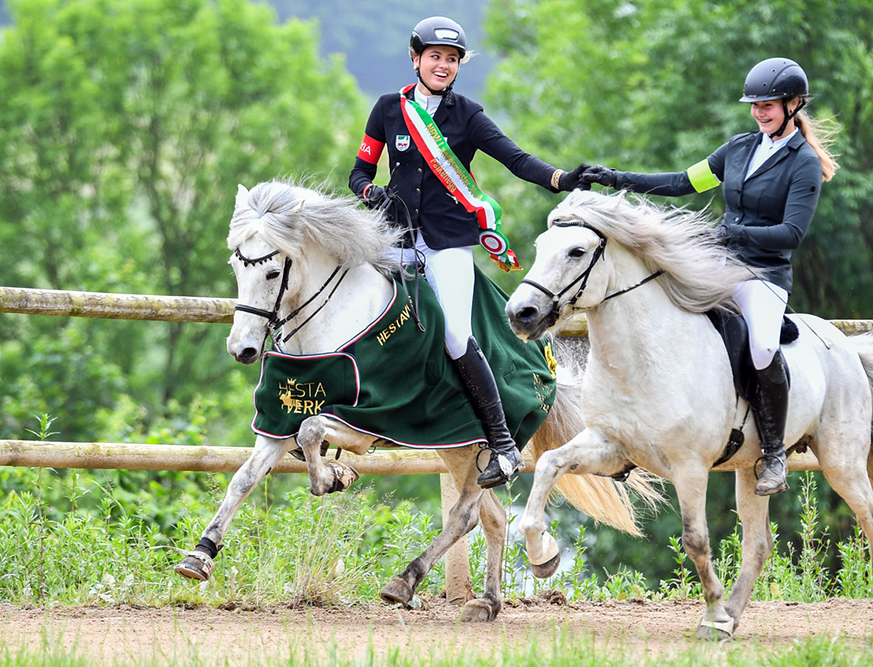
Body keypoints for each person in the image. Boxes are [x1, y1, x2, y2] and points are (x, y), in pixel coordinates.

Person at [349, 16, 591, 489]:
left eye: (452, 59)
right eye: (435, 57)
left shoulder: (468, 114)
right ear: (416, 58)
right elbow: (359, 171)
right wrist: (369, 192)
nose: (443, 65)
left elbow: (515, 159)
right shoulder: (387, 109)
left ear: (459, 66)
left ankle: (501, 445)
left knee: (456, 336)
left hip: (447, 244)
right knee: (357, 312)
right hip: (394, 240)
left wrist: (561, 179)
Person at [583, 57, 839, 496]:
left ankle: (774, 451)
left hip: (764, 272)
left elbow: (791, 234)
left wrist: (733, 231)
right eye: (754, 105)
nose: (759, 112)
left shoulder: (805, 164)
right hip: (717, 263)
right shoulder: (739, 148)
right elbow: (683, 181)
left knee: (760, 346)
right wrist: (616, 178)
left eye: (769, 105)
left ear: (794, 104)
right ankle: (635, 431)